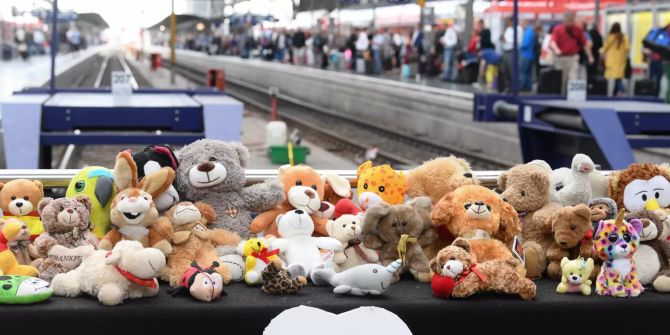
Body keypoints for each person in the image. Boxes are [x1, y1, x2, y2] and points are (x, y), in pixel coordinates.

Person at [550, 11, 594, 94]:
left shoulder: (578, 30)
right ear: (564, 20)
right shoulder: (558, 29)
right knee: (562, 80)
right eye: (568, 20)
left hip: (573, 57)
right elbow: (553, 42)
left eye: (571, 20)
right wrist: (556, 49)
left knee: (574, 78)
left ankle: (573, 97)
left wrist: (590, 56)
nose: (569, 23)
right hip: (561, 58)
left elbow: (585, 44)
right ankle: (561, 97)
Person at [600, 22, 629, 96]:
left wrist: (600, 51)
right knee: (617, 77)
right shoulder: (624, 37)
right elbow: (627, 48)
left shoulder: (610, 37)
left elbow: (605, 48)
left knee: (616, 78)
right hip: (621, 61)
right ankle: (615, 94)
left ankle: (622, 90)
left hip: (611, 61)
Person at [499, 17, 523, 93]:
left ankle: (515, 89)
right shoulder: (508, 29)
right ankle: (508, 87)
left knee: (513, 71)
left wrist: (506, 40)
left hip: (513, 52)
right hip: (505, 52)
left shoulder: (518, 29)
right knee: (505, 71)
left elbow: (518, 41)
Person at [519, 21, 537, 91]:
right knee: (528, 73)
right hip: (530, 55)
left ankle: (523, 87)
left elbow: (525, 44)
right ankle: (528, 87)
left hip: (525, 55)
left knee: (523, 72)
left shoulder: (528, 32)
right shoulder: (531, 32)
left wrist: (518, 46)